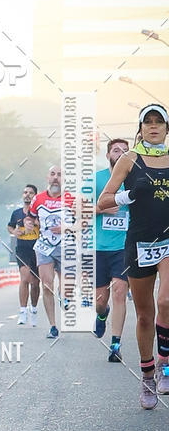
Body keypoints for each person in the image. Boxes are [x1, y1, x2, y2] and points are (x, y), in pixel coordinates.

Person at [98, 105, 169, 409]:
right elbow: (103, 201)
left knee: (166, 301)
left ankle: (165, 363)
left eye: (159, 122)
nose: (154, 127)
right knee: (144, 315)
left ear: (166, 128)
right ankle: (148, 374)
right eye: (148, 122)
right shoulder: (129, 160)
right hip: (139, 243)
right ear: (141, 128)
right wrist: (128, 196)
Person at [94, 139, 130, 362]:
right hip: (99, 247)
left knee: (119, 291)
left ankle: (115, 344)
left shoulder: (136, 179)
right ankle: (101, 314)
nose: (121, 153)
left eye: (126, 151)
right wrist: (101, 208)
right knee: (100, 299)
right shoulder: (96, 179)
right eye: (116, 150)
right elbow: (79, 208)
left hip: (125, 246)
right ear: (108, 155)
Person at [29, 166, 74, 339]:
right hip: (44, 245)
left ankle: (66, 297)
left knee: (66, 287)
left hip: (67, 245)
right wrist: (28, 224)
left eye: (60, 175)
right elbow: (31, 218)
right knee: (46, 285)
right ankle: (53, 326)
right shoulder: (38, 199)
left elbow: (83, 223)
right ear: (47, 177)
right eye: (53, 174)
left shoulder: (72, 199)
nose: (56, 178)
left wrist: (66, 227)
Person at [8, 184, 40, 326]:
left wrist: (36, 223)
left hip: (38, 250)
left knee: (35, 283)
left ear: (35, 196)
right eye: (25, 192)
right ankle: (22, 311)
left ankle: (33, 309)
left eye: (31, 193)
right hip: (22, 249)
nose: (27, 195)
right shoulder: (16, 213)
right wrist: (14, 232)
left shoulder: (39, 212)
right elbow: (10, 226)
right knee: (25, 278)